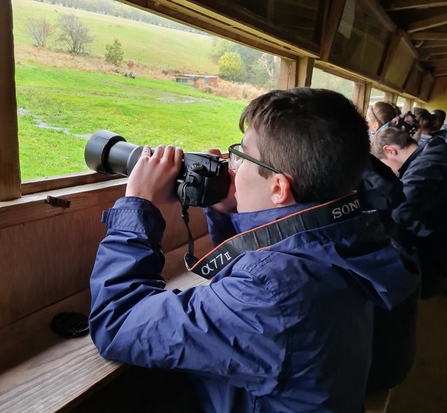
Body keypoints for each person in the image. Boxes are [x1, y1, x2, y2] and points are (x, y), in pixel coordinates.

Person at [89, 88, 419, 413]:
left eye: (241, 156)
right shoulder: (348, 237)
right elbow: (265, 267)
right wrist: (228, 212)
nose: (231, 167)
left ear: (278, 187)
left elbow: (117, 322)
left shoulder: (272, 291)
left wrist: (138, 203)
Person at [371, 127, 447, 298]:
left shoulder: (429, 162)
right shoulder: (434, 148)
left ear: (390, 150)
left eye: (385, 167)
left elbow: (400, 210)